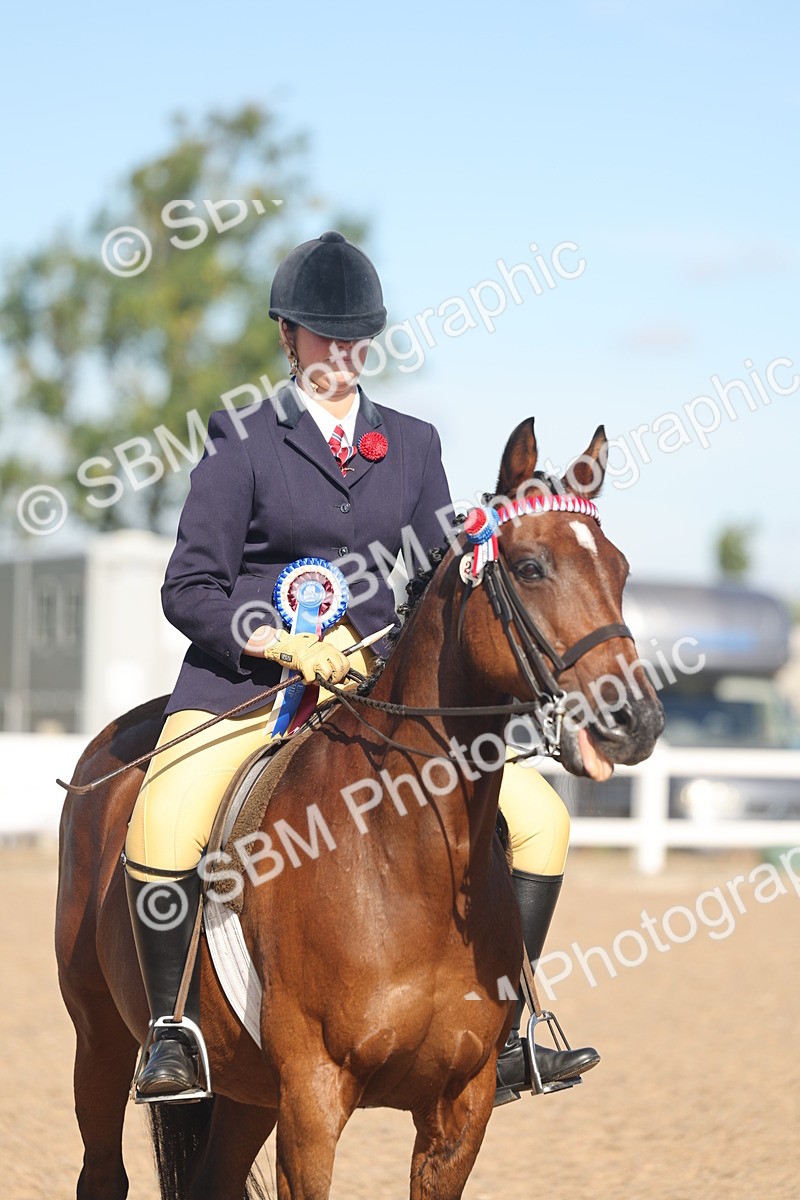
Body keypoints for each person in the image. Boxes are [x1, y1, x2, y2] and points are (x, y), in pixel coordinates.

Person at [123, 230, 598, 1102]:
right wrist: (280, 639)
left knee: (540, 822)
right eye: (323, 337)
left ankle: (510, 1029)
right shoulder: (241, 438)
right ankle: (170, 1032)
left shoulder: (412, 444)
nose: (341, 354)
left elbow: (441, 576)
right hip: (249, 687)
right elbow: (188, 587)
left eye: (356, 339)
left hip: (378, 692)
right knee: (165, 815)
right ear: (288, 336)